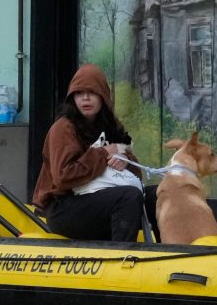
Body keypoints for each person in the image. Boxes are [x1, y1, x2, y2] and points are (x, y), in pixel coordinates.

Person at [32, 63, 148, 242]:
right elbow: (63, 177)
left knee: (156, 194)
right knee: (129, 197)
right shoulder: (63, 127)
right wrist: (103, 154)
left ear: (103, 97)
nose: (85, 99)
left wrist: (125, 159)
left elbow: (136, 174)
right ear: (72, 98)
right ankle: (122, 258)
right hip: (64, 208)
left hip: (101, 198)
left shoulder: (111, 125)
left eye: (92, 93)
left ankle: (171, 251)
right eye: (79, 93)